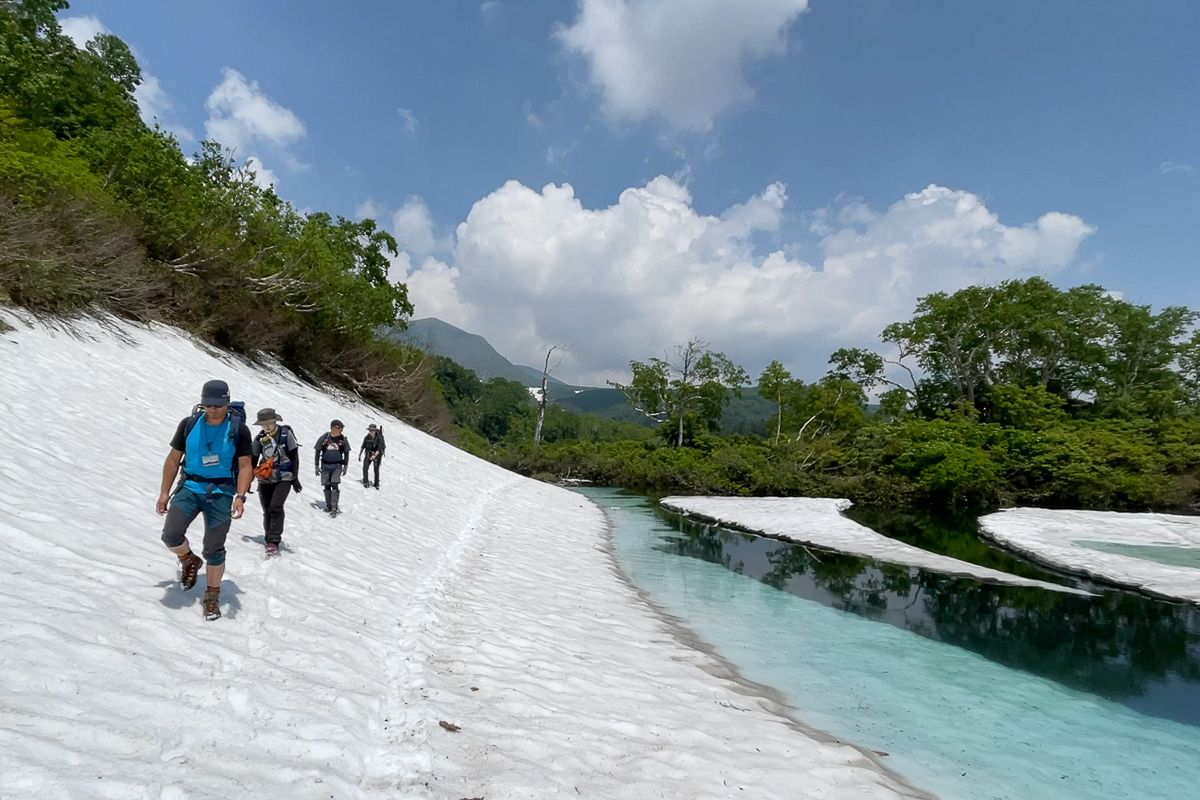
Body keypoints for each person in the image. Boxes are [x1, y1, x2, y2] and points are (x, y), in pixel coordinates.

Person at [156, 379, 252, 621]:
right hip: (189, 486)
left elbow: (245, 465)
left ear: (227, 403)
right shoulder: (189, 424)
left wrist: (240, 496)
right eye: (208, 404)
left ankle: (212, 595)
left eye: (218, 404)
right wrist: (164, 492)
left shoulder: (238, 429)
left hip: (221, 492)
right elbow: (172, 459)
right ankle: (188, 559)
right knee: (170, 535)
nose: (213, 409)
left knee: (213, 548)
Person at [250, 408, 301, 556]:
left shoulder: (286, 435)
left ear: (275, 421)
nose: (266, 427)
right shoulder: (259, 439)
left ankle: (274, 540)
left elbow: (294, 456)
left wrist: (295, 478)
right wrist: (248, 481)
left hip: (284, 476)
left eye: (269, 423)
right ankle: (269, 538)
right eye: (263, 424)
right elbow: (253, 461)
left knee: (276, 506)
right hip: (266, 478)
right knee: (267, 509)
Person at [314, 419, 351, 515]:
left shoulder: (343, 440)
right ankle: (328, 505)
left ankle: (334, 506)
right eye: (339, 428)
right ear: (333, 428)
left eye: (341, 428)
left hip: (337, 465)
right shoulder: (324, 438)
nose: (341, 430)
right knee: (327, 485)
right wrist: (316, 466)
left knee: (335, 484)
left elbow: (347, 452)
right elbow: (317, 451)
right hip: (325, 465)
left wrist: (345, 465)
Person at [358, 423, 386, 489]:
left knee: (376, 469)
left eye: (372, 430)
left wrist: (374, 456)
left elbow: (379, 449)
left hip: (377, 455)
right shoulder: (366, 437)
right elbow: (363, 446)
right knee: (365, 467)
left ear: (375, 430)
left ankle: (376, 484)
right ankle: (365, 482)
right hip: (368, 454)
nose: (371, 431)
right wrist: (359, 455)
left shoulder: (379, 438)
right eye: (370, 430)